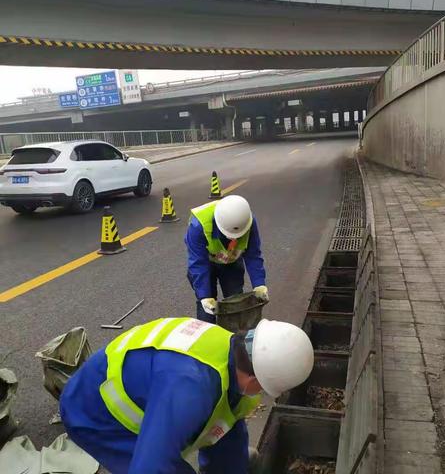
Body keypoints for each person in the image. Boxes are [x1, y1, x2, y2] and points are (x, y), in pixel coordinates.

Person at [60, 317, 314, 474]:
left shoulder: (239, 354)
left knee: (230, 453)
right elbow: (150, 468)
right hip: (92, 413)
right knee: (163, 466)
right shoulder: (190, 390)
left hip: (154, 387)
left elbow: (229, 424)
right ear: (256, 378)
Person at [185, 195, 268, 323]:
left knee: (235, 301)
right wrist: (204, 296)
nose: (232, 239)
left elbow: (253, 255)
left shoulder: (246, 221)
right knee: (207, 307)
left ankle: (235, 339)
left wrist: (259, 284)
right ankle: (209, 337)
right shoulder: (198, 225)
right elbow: (198, 264)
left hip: (231, 262)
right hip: (206, 264)